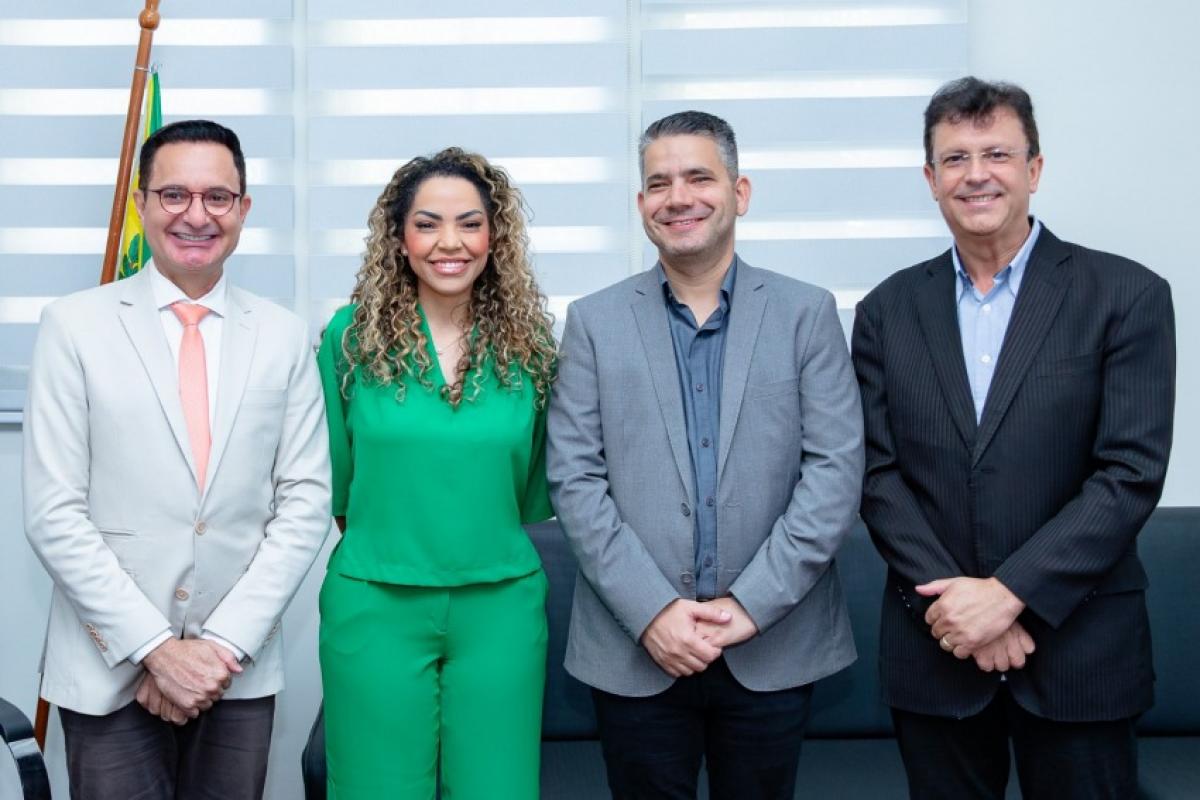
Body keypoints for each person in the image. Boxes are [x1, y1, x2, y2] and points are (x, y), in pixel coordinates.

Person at [852, 76, 1176, 798]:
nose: (977, 175)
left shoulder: (1127, 295)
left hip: (1082, 650)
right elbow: (875, 474)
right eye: (955, 158)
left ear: (1034, 168)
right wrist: (960, 610)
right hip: (936, 648)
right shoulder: (885, 311)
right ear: (931, 180)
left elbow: (1129, 472)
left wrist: (1008, 595)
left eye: (996, 154)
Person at [547, 110, 864, 799]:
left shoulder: (807, 313)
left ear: (739, 192)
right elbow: (574, 478)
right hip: (635, 648)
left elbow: (835, 472)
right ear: (641, 205)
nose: (678, 197)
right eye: (659, 184)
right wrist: (653, 611)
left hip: (773, 642)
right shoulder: (594, 322)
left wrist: (750, 606)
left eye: (699, 177)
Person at [22, 119, 332, 799]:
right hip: (109, 668)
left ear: (243, 209)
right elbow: (54, 513)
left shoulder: (282, 336)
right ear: (141, 204)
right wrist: (157, 650)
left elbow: (305, 505)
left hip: (235, 670)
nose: (197, 215)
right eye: (174, 195)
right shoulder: (74, 326)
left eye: (217, 197)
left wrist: (219, 647)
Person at [317, 147, 557, 799]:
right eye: (427, 224)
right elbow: (338, 486)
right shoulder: (348, 340)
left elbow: (530, 489)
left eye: (470, 223)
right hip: (375, 602)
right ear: (399, 238)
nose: (450, 242)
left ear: (494, 237)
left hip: (501, 607)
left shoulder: (533, 349)